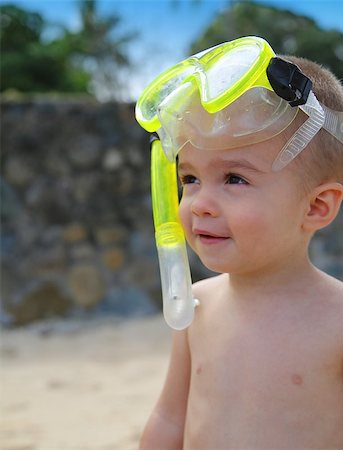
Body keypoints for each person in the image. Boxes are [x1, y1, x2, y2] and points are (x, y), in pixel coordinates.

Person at [136, 37, 343, 449]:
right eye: (190, 179)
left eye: (235, 179)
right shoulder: (195, 306)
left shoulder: (337, 322)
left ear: (317, 207)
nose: (200, 204)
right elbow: (169, 417)